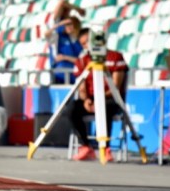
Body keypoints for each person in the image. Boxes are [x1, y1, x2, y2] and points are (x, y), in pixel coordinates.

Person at [69, 28, 128, 162]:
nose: (86, 46)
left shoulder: (116, 58)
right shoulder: (82, 61)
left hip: (111, 100)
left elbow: (116, 87)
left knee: (104, 108)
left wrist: (98, 100)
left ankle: (105, 148)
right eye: (82, 44)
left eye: (87, 42)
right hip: (90, 100)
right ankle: (85, 146)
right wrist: (87, 100)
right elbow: (82, 88)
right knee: (72, 108)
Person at [47, 16, 82, 84]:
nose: (68, 27)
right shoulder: (58, 37)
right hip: (59, 75)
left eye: (71, 24)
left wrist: (65, 57)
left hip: (75, 74)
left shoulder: (80, 40)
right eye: (66, 25)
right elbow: (46, 34)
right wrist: (59, 24)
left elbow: (81, 60)